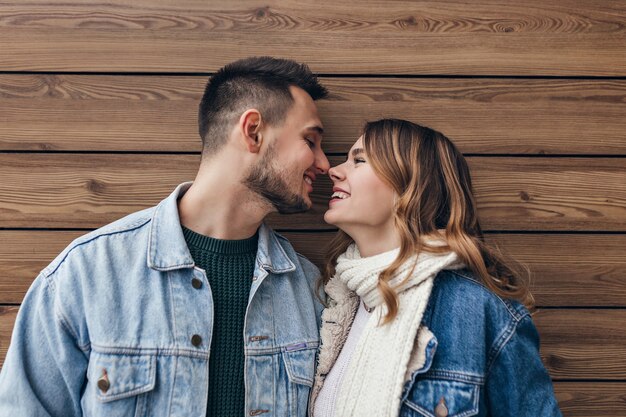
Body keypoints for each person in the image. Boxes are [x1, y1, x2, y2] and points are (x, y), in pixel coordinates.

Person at [0, 57, 330, 417]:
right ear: (253, 132)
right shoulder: (86, 275)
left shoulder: (309, 291)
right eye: (310, 141)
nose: (324, 163)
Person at [310, 119, 562, 417]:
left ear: (410, 186)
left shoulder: (476, 308)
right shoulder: (336, 306)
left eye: (359, 160)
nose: (334, 170)